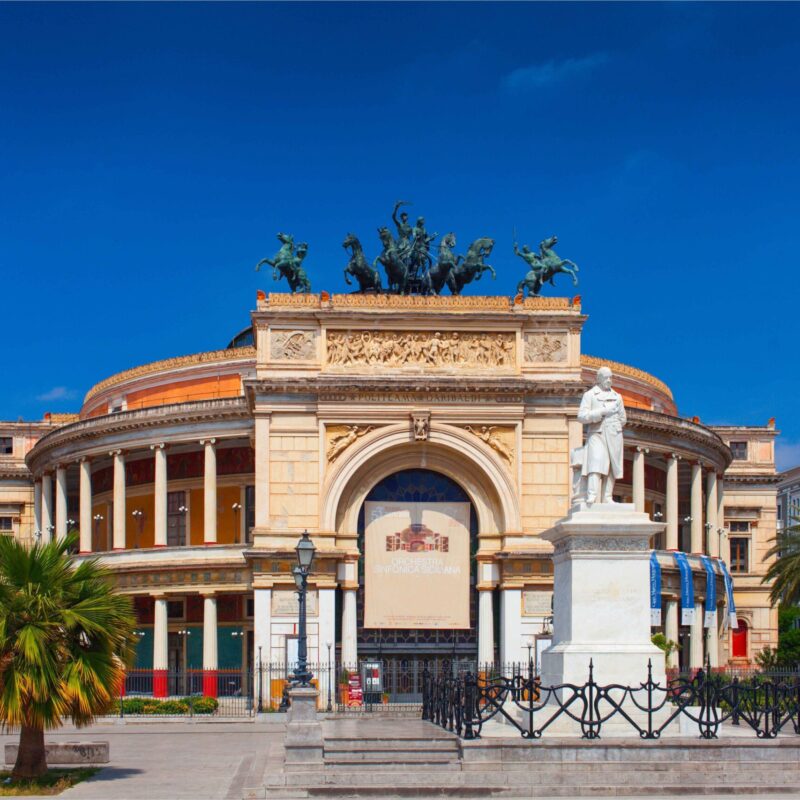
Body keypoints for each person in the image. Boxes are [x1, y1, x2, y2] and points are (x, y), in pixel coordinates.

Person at [577, 366, 627, 504]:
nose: (609, 380)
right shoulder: (590, 395)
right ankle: (592, 495)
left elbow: (623, 418)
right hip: (596, 432)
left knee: (613, 465)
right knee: (595, 462)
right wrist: (601, 412)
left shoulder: (617, 397)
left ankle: (607, 496)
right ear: (598, 379)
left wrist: (613, 424)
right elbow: (581, 416)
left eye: (611, 377)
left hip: (614, 432)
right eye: (606, 377)